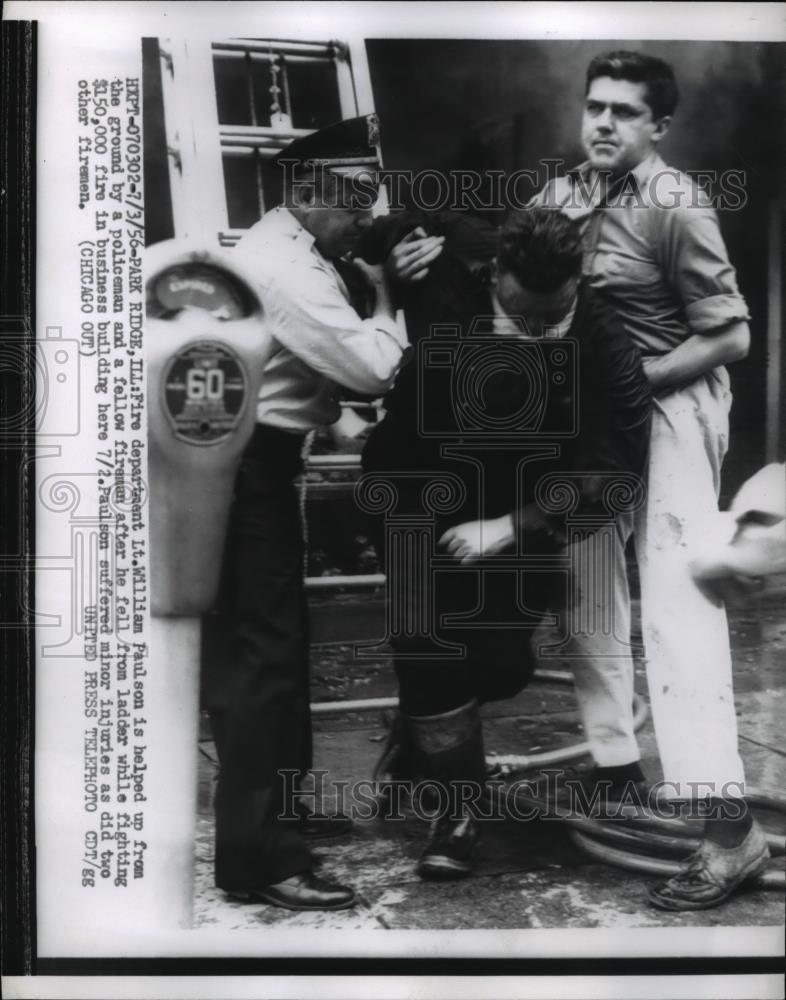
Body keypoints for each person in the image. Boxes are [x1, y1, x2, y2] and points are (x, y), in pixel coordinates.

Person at [531, 50, 770, 910]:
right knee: (588, 584)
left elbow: (731, 335)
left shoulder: (679, 206)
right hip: (595, 416)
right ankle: (615, 766)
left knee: (676, 609)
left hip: (671, 404)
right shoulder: (559, 199)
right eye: (594, 106)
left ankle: (728, 834)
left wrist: (634, 382)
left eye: (625, 112)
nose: (602, 123)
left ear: (657, 127)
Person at [360, 206, 652, 879]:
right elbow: (356, 234)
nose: (536, 328)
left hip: (514, 503)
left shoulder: (603, 337)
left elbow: (615, 471)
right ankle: (456, 814)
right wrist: (375, 276)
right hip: (414, 484)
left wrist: (513, 525)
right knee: (427, 642)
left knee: (500, 665)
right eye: (523, 312)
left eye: (552, 314)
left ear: (577, 284)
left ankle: (422, 742)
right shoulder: (444, 255)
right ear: (498, 274)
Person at [202, 115, 410, 911]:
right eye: (355, 196)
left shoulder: (296, 253)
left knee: (277, 656)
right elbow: (371, 369)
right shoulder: (281, 267)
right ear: (306, 190)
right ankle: (263, 862)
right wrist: (391, 298)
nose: (365, 214)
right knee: (260, 662)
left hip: (257, 466)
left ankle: (280, 825)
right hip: (245, 468)